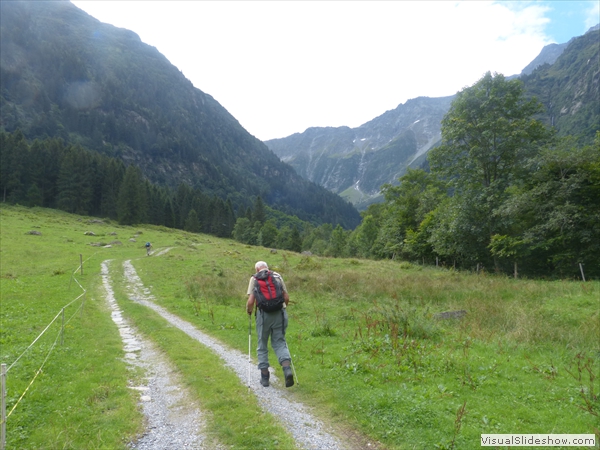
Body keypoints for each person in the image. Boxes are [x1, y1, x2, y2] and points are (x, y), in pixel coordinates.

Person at [246, 261, 294, 388]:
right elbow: (286, 297)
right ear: (267, 268)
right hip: (279, 313)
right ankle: (287, 369)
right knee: (279, 341)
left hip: (263, 315)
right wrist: (283, 309)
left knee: (262, 343)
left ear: (257, 269)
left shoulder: (254, 278)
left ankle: (265, 377)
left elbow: (251, 301)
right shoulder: (277, 276)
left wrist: (249, 311)